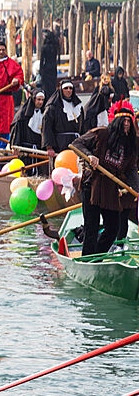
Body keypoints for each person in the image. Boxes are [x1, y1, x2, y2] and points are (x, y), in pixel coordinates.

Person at [72, 101, 139, 255]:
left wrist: (136, 189)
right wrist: (90, 156)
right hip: (92, 186)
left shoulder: (130, 145)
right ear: (117, 122)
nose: (127, 124)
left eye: (130, 121)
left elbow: (131, 169)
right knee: (91, 227)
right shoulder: (101, 133)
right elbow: (76, 144)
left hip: (110, 189)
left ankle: (97, 257)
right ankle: (87, 259)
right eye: (124, 121)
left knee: (113, 228)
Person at [42, 81, 83, 156]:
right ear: (61, 90)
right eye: (66, 88)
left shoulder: (78, 106)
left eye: (70, 88)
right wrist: (49, 147)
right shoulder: (53, 107)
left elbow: (83, 127)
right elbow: (47, 127)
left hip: (76, 142)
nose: (68, 90)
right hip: (60, 143)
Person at [39, 29, 60, 97]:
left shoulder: (44, 47)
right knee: (52, 86)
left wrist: (41, 70)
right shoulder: (55, 46)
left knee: (46, 87)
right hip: (53, 67)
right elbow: (57, 58)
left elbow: (42, 60)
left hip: (46, 68)